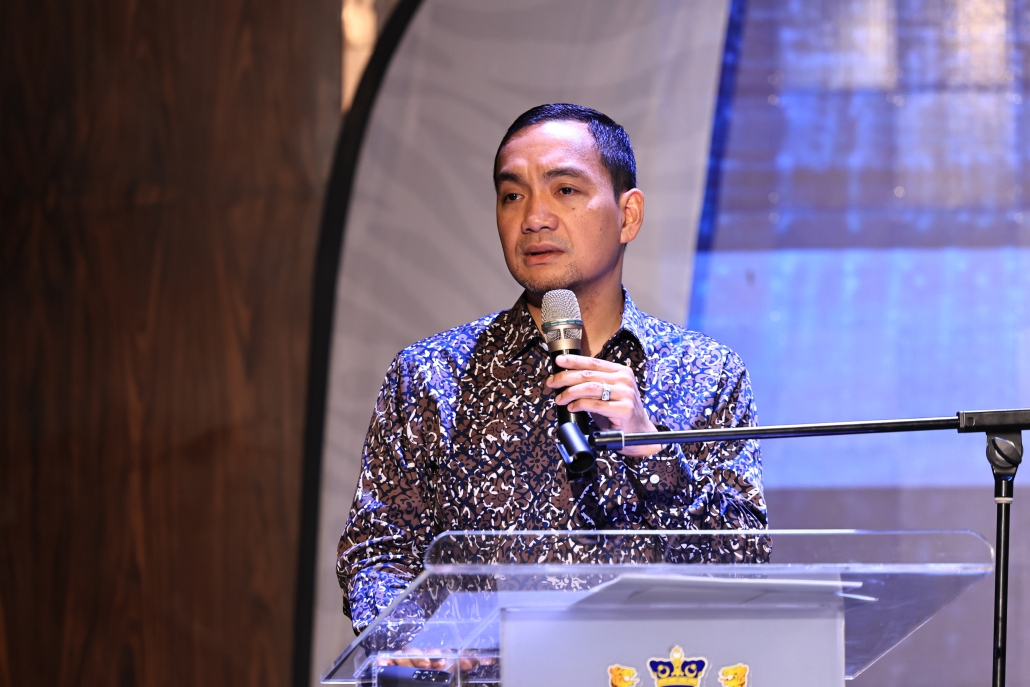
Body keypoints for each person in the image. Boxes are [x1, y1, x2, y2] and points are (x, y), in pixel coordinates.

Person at [337, 103, 767, 633]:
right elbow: (377, 553)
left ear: (628, 216)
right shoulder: (431, 374)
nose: (534, 218)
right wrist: (420, 647)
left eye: (564, 190)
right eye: (512, 195)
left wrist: (651, 449)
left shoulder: (707, 373)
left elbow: (743, 567)